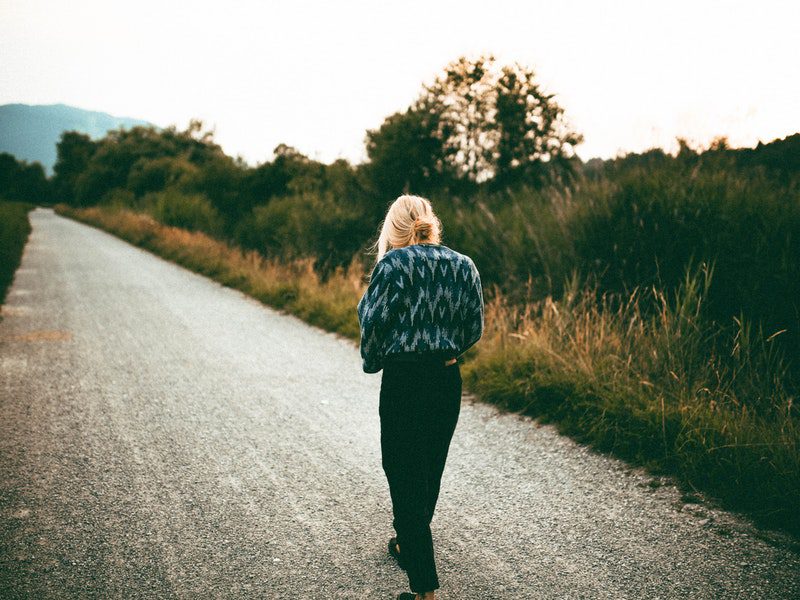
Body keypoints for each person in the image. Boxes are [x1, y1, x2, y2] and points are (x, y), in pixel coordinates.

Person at [357, 194, 485, 600]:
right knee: (428, 469)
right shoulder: (464, 265)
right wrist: (445, 350)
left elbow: (373, 325)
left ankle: (425, 590)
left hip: (405, 381)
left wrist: (375, 360)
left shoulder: (391, 266)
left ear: (391, 230)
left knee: (401, 471)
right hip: (447, 379)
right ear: (432, 224)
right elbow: (473, 327)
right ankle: (408, 542)